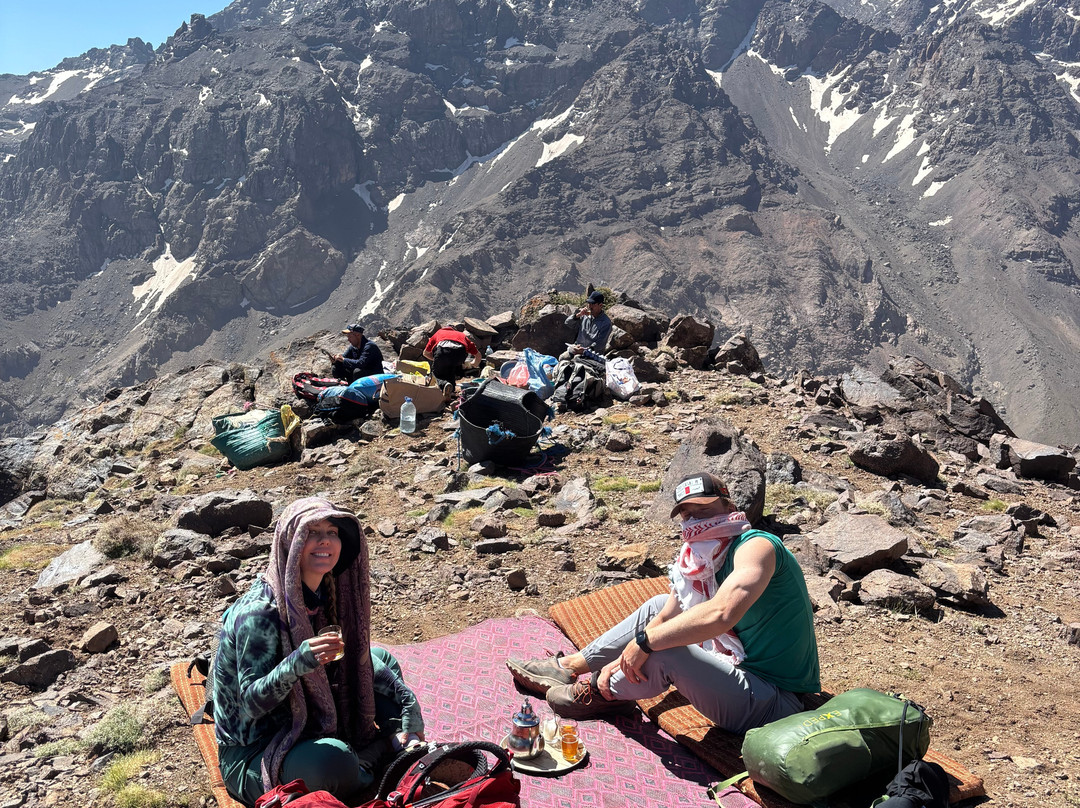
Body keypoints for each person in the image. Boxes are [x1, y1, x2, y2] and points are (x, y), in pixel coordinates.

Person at [507, 472, 820, 734]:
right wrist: (624, 657)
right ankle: (572, 666)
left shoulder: (757, 546)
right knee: (658, 608)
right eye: (687, 514)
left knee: (666, 648)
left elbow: (721, 614)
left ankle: (605, 693)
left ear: (729, 506)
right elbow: (668, 614)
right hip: (735, 668)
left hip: (774, 699)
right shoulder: (700, 558)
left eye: (704, 509)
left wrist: (644, 643)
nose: (694, 521)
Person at [213, 497, 425, 806]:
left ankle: (399, 737)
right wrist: (298, 662)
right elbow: (250, 706)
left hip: (305, 722)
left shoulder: (323, 592)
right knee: (331, 761)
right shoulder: (259, 613)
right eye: (312, 532)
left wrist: (400, 696)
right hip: (256, 750)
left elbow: (350, 665)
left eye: (332, 532)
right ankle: (374, 758)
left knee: (380, 660)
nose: (324, 540)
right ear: (291, 542)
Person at [561, 291, 612, 360]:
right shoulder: (585, 316)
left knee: (577, 360)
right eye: (589, 304)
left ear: (600, 305)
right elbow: (568, 323)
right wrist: (578, 315)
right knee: (562, 358)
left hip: (592, 354)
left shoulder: (606, 322)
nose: (590, 306)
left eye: (593, 304)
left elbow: (600, 344)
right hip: (577, 349)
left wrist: (585, 350)